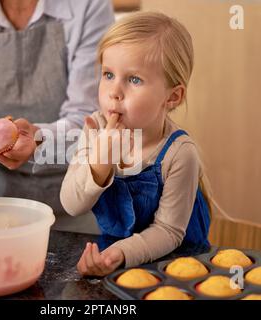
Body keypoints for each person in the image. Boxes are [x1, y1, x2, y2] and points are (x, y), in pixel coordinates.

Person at [0, 0, 115, 223]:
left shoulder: (89, 6)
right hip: (3, 206)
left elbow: (88, 121)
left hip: (80, 200)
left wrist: (36, 140)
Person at [60, 12, 212, 276]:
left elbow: (168, 231)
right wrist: (100, 162)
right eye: (108, 74)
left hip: (176, 264)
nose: (114, 91)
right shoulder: (95, 129)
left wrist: (119, 253)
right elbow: (72, 205)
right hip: (117, 257)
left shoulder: (180, 153)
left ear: (172, 97)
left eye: (134, 80)